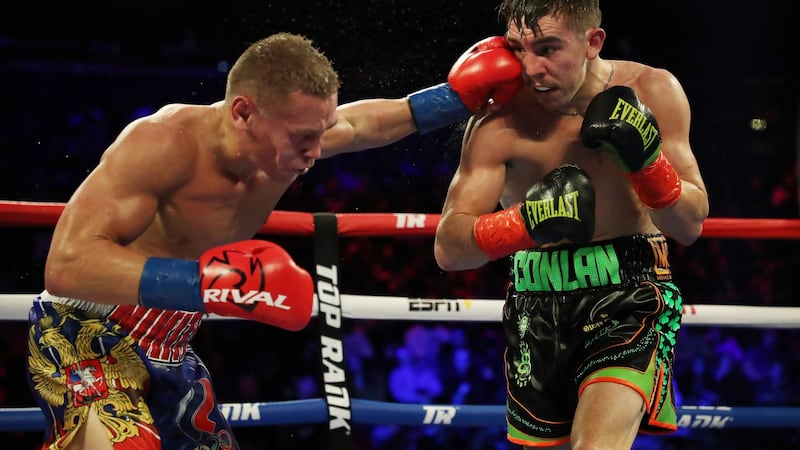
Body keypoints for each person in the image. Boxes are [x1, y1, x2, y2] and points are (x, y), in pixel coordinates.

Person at [25, 32, 524, 449]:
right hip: (81, 331)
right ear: (243, 112)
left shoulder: (288, 140)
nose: (315, 151)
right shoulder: (162, 143)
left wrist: (455, 98)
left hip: (170, 340)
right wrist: (202, 283)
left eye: (321, 131)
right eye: (302, 137)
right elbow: (66, 265)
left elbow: (365, 122)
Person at [432, 1, 709, 449]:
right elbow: (449, 248)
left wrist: (647, 164)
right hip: (534, 308)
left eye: (547, 48)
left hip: (628, 294)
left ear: (592, 43)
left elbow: (690, 223)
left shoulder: (653, 89)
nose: (530, 68)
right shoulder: (499, 120)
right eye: (518, 50)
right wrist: (528, 221)